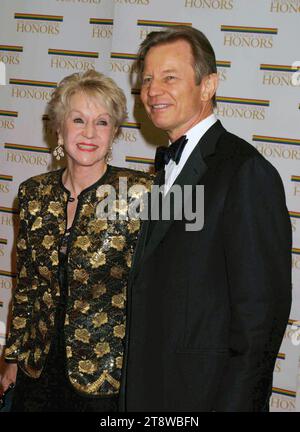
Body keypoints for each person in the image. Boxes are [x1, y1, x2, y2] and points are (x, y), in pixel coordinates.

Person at [119, 26, 292, 412]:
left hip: (206, 397)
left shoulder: (244, 172)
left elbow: (259, 318)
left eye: (169, 77)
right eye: (147, 79)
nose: (152, 90)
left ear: (208, 85)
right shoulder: (166, 170)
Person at [0, 70, 152, 412]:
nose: (89, 133)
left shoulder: (140, 194)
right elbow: (27, 286)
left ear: (114, 132)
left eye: (102, 122)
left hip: (106, 379)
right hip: (36, 372)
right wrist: (12, 357)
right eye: (79, 119)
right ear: (59, 126)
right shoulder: (33, 193)